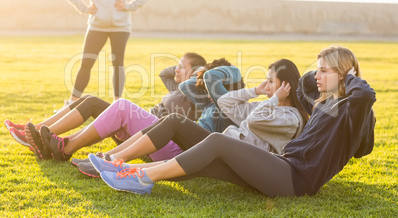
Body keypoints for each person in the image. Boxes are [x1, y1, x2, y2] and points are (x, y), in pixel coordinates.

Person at [88, 45, 376, 197]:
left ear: (342, 74)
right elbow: (304, 84)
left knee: (217, 141)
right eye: (318, 70)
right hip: (282, 168)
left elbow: (364, 94)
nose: (317, 76)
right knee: (211, 160)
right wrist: (329, 75)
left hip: (296, 179)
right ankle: (125, 169)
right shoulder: (324, 104)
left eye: (324, 71)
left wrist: (347, 74)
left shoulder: (353, 112)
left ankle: (142, 177)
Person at [86, 58, 308, 188]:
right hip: (223, 147)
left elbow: (256, 119)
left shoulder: (290, 118)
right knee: (174, 120)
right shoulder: (268, 104)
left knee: (188, 146)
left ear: (285, 86)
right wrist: (255, 91)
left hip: (238, 162)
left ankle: (129, 173)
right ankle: (115, 161)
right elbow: (226, 103)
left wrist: (272, 99)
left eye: (270, 82)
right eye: (266, 82)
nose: (266, 86)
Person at [6, 53, 206, 162]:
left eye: (182, 66)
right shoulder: (176, 88)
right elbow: (164, 73)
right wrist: (181, 68)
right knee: (91, 100)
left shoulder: (195, 94)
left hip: (158, 141)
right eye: (177, 65)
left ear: (195, 72)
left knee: (122, 105)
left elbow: (206, 98)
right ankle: (39, 132)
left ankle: (61, 145)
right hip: (140, 130)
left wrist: (198, 75)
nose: (177, 69)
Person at [65, 0, 151, 105]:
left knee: (118, 64)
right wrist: (84, 8)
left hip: (121, 26)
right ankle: (71, 102)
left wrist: (129, 6)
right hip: (97, 24)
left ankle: (116, 105)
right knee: (86, 63)